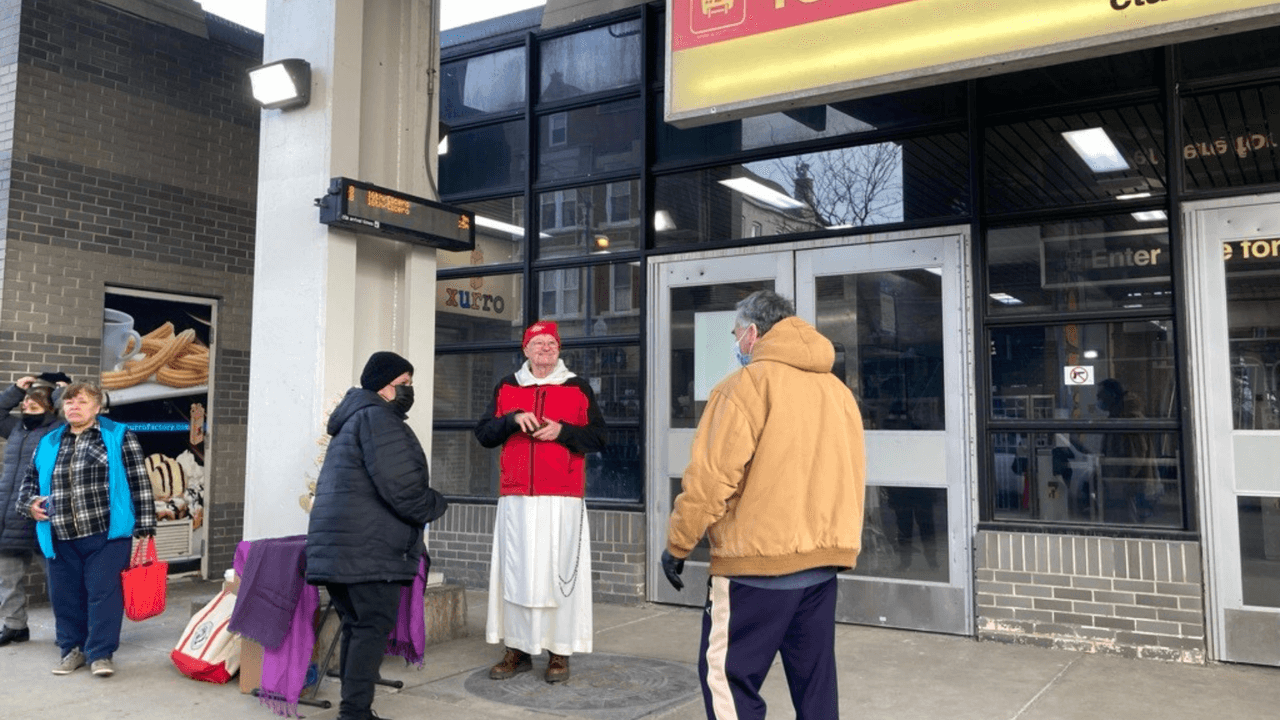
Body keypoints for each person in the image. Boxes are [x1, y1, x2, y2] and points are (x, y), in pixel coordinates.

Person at [662, 290, 866, 720]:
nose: (735, 343)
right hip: (820, 569)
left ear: (753, 333)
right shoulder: (837, 391)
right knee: (815, 685)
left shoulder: (744, 387)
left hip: (755, 568)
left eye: (736, 333)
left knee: (727, 679)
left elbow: (711, 478)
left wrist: (679, 543)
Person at [305, 351, 448, 720]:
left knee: (358, 626)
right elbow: (401, 488)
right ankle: (355, 713)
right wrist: (434, 504)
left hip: (346, 549)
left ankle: (355, 710)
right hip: (369, 549)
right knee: (369, 629)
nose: (409, 391)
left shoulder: (355, 419)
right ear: (384, 386)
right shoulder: (378, 419)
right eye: (405, 384)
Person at [474, 320, 607, 684]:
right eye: (538, 343)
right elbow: (484, 434)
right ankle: (516, 649)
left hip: (562, 498)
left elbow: (599, 437)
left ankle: (559, 652)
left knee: (555, 575)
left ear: (559, 349)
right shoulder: (508, 386)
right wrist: (513, 420)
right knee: (517, 575)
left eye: (551, 343)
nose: (545, 349)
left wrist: (563, 432)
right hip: (517, 497)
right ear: (525, 349)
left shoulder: (577, 387)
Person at [15, 381, 154, 678]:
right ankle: (71, 650)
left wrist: (145, 523)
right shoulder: (50, 441)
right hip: (59, 535)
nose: (73, 407)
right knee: (65, 596)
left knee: (103, 594)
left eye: (81, 401)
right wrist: (29, 505)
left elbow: (138, 479)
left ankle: (101, 654)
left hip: (106, 534)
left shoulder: (117, 435)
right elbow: (29, 480)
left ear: (97, 407)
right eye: (69, 402)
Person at [0, 374, 68, 647]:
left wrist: (61, 394)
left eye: (35, 399)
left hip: (43, 515)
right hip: (10, 515)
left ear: (50, 404)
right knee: (7, 579)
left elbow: (74, 419)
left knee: (59, 579)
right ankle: (15, 626)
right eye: (26, 400)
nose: (27, 403)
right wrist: (17, 389)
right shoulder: (15, 428)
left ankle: (68, 629)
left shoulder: (58, 431)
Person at [1097, 378, 1159, 523]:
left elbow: (1136, 455)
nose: (1098, 399)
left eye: (1101, 395)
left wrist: (1122, 482)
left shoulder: (1127, 418)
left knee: (1129, 522)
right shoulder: (1118, 416)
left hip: (1129, 486)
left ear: (1112, 395)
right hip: (1126, 485)